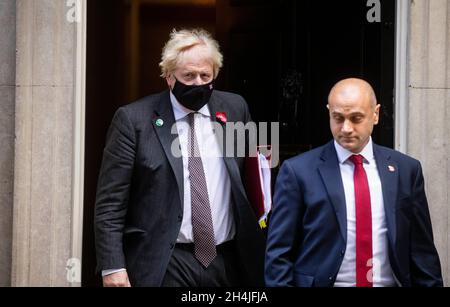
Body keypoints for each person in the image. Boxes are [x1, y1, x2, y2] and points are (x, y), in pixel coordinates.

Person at [94, 28, 265, 287]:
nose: (197, 82)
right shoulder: (133, 120)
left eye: (205, 75)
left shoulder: (234, 109)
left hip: (227, 261)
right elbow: (110, 203)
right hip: (165, 261)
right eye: (188, 75)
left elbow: (253, 179)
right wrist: (112, 266)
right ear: (169, 77)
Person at [265, 78, 443, 287]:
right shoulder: (298, 172)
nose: (346, 128)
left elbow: (423, 253)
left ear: (375, 114)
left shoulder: (406, 170)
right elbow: (278, 253)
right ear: (328, 112)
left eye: (356, 118)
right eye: (338, 118)